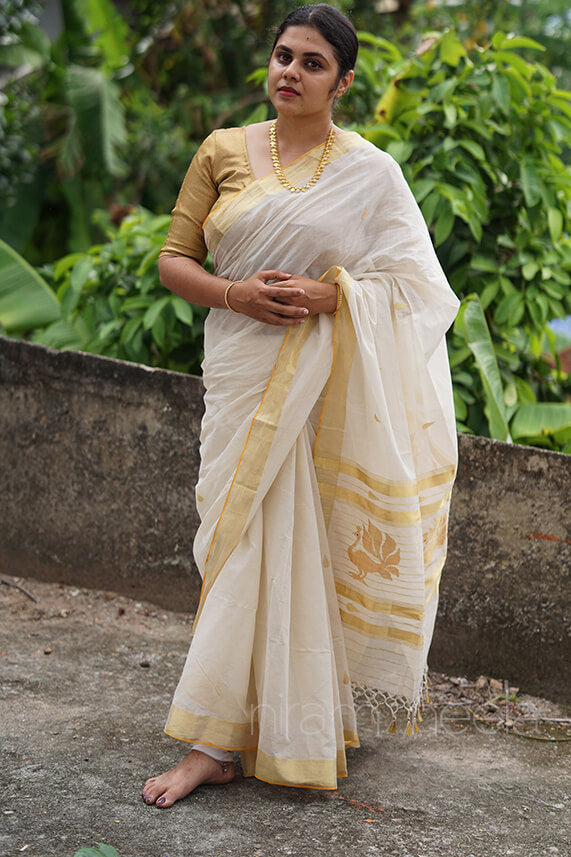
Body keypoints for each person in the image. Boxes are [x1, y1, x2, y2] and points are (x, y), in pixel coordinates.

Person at [142, 3, 459, 808]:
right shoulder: (221, 151)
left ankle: (219, 743)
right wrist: (234, 294)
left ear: (342, 81)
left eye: (312, 63)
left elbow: (420, 289)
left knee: (277, 545)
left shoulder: (371, 172)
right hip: (242, 369)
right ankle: (238, 727)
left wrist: (332, 294)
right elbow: (172, 261)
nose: (290, 71)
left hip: (313, 387)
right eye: (283, 55)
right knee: (232, 535)